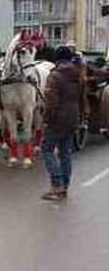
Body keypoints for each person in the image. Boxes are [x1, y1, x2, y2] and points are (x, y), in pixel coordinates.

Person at [41, 46, 89, 201]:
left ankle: (57, 185)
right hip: (73, 119)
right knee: (65, 152)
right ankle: (65, 185)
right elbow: (83, 100)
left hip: (57, 120)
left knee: (47, 150)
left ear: (57, 59)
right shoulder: (79, 75)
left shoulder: (54, 76)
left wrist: (47, 120)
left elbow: (51, 103)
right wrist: (82, 117)